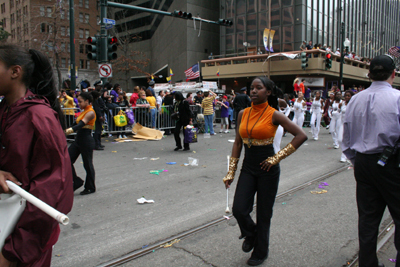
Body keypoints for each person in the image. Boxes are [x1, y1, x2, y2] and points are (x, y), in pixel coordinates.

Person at [0, 44, 73, 266]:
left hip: (22, 242)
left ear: (15, 72)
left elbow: (51, 191)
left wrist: (14, 252)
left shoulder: (40, 117)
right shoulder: (4, 111)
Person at [223, 76, 307, 266]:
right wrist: (231, 172)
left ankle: (261, 251)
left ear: (268, 92)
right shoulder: (243, 113)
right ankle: (251, 234)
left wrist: (277, 158)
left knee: (264, 212)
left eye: (258, 88)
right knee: (239, 209)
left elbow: (301, 135)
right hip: (248, 166)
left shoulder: (274, 114)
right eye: (251, 88)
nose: (253, 91)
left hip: (268, 168)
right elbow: (237, 143)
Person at [342, 55, 400, 267]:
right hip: (392, 163)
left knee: (368, 218)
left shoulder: (355, 99)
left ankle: (367, 264)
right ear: (393, 74)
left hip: (364, 163)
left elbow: (346, 137)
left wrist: (356, 160)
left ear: (369, 74)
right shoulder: (397, 98)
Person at [65, 92, 96, 195]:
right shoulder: (83, 111)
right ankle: (76, 180)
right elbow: (74, 124)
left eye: (80, 101)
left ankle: (90, 187)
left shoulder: (90, 112)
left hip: (86, 140)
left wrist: (68, 131)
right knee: (66, 160)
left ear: (87, 101)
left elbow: (81, 124)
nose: (79, 104)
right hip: (78, 139)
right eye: (78, 102)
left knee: (87, 164)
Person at [338, 90, 354, 162]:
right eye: (346, 96)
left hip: (350, 124)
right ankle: (346, 153)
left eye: (348, 96)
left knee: (349, 141)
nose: (347, 97)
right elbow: (339, 112)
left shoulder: (353, 104)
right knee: (340, 139)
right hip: (342, 123)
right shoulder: (342, 104)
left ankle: (344, 156)